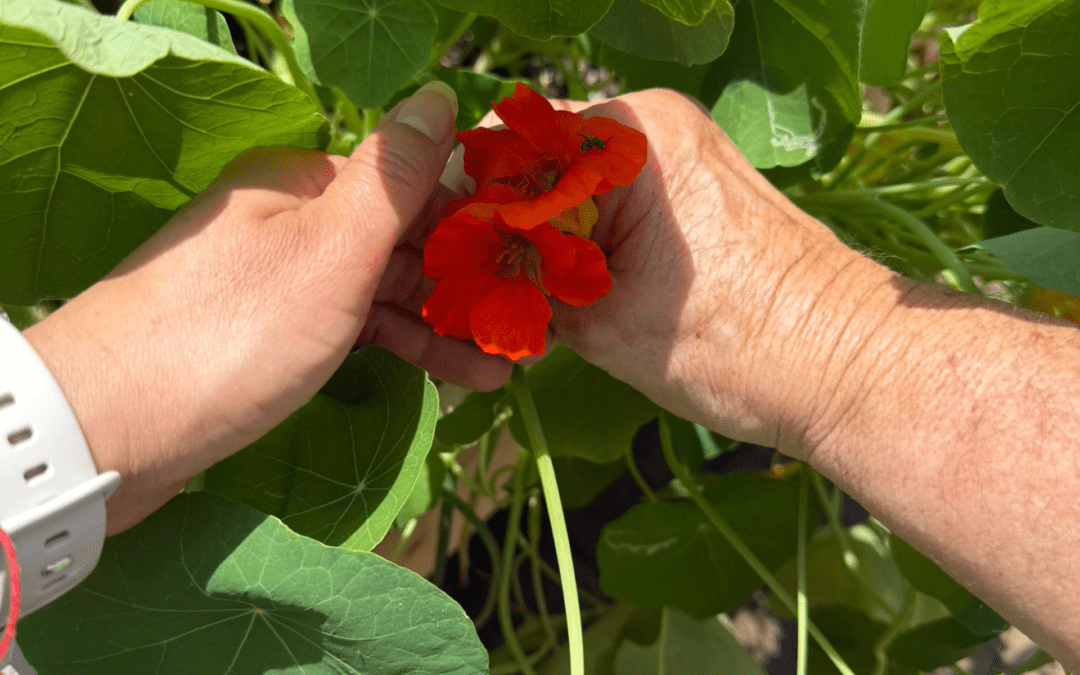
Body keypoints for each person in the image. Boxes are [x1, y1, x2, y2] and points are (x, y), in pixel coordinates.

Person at [9, 82, 1080, 669]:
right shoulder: (507, 240)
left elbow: (544, 207)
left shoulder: (546, 223)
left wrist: (85, 409)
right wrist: (844, 348)